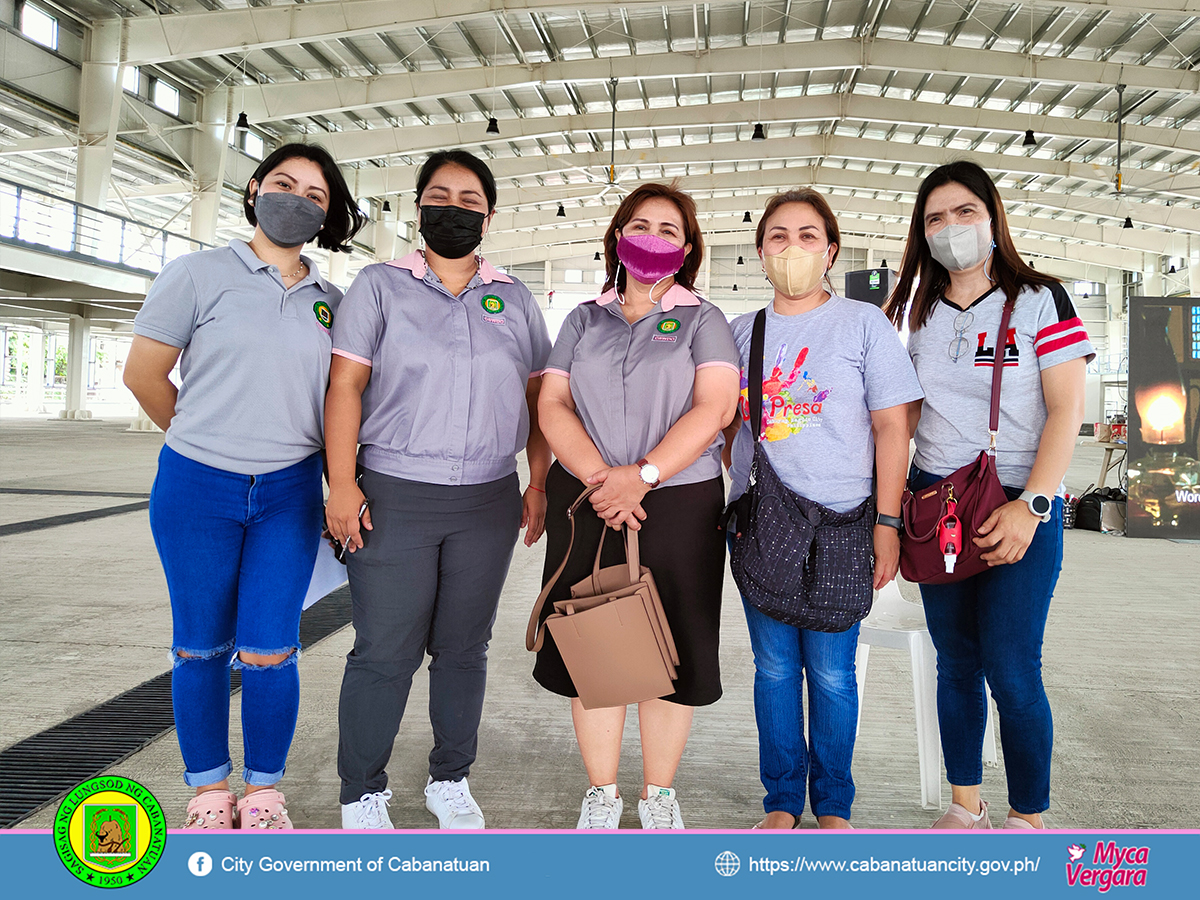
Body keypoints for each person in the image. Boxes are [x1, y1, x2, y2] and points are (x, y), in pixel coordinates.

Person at [123, 143, 366, 830]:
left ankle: (262, 794)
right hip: (196, 489)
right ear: (255, 189)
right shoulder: (196, 275)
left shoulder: (334, 303)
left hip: (288, 494)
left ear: (329, 215)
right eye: (284, 183)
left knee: (269, 648)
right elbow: (144, 375)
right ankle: (207, 790)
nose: (297, 199)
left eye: (315, 194)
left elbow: (340, 403)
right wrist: (202, 441)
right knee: (198, 645)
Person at [325, 149, 552, 830]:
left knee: (462, 648)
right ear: (419, 205)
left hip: (487, 498)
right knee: (385, 649)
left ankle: (450, 778)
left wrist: (536, 481)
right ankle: (361, 789)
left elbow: (542, 396)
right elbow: (345, 385)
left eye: (470, 199)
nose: (455, 208)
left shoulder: (512, 297)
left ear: (489, 213)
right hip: (395, 493)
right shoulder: (379, 285)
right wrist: (342, 485)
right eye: (440, 195)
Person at [883, 160, 1093, 830]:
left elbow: (1066, 413)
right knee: (957, 663)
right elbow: (900, 419)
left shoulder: (1039, 300)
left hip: (1018, 505)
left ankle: (1027, 815)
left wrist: (1033, 507)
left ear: (993, 216)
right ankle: (962, 805)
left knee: (1012, 667)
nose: (951, 228)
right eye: (935, 218)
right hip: (938, 507)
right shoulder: (917, 314)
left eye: (964, 211)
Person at [534, 182, 740, 830]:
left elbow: (715, 406)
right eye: (641, 225)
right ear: (618, 236)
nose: (653, 238)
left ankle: (658, 795)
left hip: (677, 503)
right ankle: (602, 794)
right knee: (595, 641)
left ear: (688, 249)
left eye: (670, 230)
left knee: (670, 648)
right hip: (588, 499)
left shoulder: (704, 319)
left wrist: (644, 475)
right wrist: (604, 479)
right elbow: (553, 405)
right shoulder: (581, 320)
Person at [722, 189, 924, 830]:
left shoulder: (865, 325)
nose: (793, 248)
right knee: (775, 667)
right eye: (778, 236)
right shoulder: (740, 332)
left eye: (809, 236)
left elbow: (894, 429)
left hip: (845, 524)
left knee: (833, 673)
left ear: (831, 250)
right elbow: (725, 427)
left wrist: (887, 525)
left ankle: (833, 803)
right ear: (760, 253)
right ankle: (782, 800)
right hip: (767, 524)